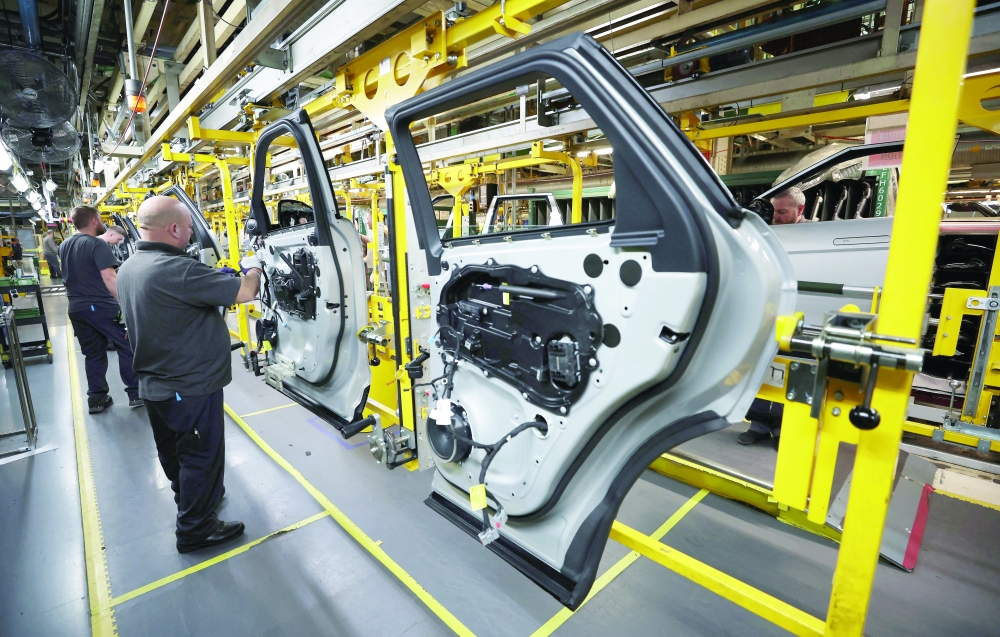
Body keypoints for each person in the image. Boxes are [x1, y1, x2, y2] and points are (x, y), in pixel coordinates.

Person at [117, 196, 261, 554]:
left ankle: (193, 499)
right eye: (189, 227)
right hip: (189, 385)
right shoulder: (176, 269)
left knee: (175, 451)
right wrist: (254, 266)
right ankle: (195, 529)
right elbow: (246, 292)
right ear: (175, 229)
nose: (192, 232)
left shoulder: (131, 267)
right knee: (201, 454)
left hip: (155, 384)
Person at [60, 206, 141, 413]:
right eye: (100, 219)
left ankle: (97, 399)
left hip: (76, 308)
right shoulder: (96, 244)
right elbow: (109, 277)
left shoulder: (65, 245)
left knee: (93, 354)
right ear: (95, 220)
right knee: (127, 346)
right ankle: (136, 394)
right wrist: (125, 304)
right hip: (100, 306)